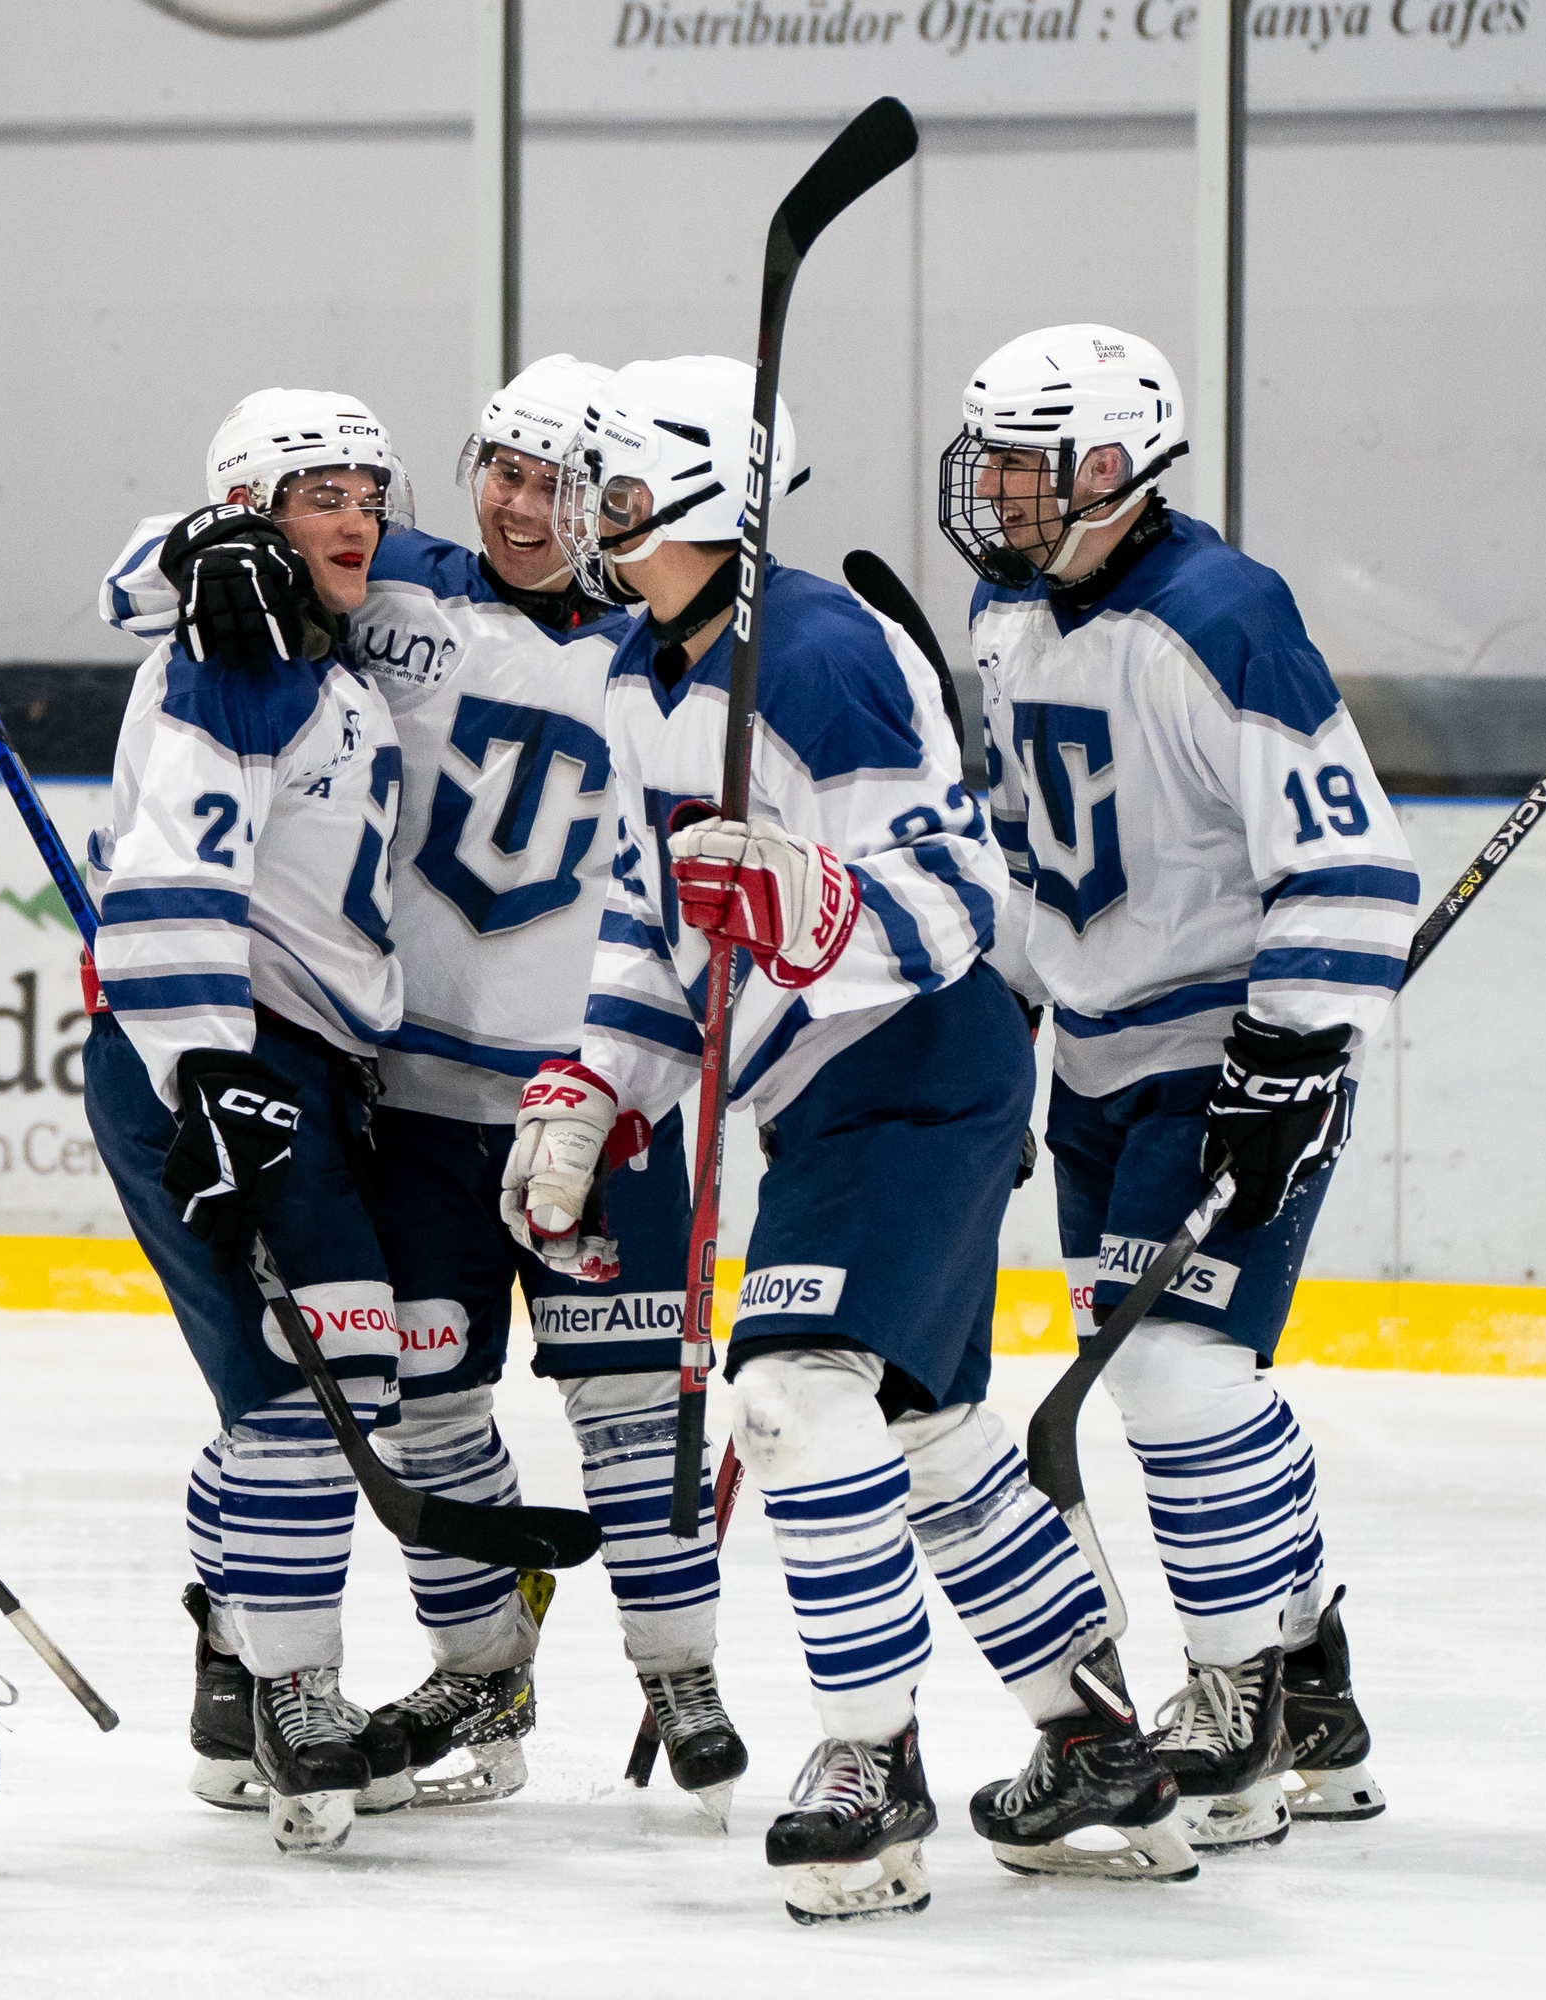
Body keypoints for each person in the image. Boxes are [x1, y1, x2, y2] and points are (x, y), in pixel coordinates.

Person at [501, 355, 1184, 1924]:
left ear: (697, 493)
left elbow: (950, 897)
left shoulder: (816, 653)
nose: (579, 512)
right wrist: (596, 1088)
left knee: (797, 1397)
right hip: (821, 1098)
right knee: (928, 1436)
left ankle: (871, 1765)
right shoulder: (634, 676)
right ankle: (1096, 1743)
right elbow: (654, 927)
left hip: (918, 1068)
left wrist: (814, 899)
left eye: (611, 485)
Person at [99, 359, 747, 1821]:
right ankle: (475, 1668)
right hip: (409, 1098)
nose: (520, 507)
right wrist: (193, 548)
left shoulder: (682, 653)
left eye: (561, 484)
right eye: (502, 470)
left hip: (600, 1096)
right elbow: (167, 581)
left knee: (631, 1406)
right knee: (420, 1398)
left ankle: (683, 1673)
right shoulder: (400, 588)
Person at [942, 322, 1408, 1849]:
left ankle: (1238, 1694)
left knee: (1175, 1377)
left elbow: (1350, 862)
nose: (995, 492)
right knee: (1175, 1380)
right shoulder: (1009, 619)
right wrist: (994, 1033)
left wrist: (1290, 1053)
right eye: (989, 460)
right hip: (1097, 1066)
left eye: (1023, 463)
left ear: (1108, 463)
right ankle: (1313, 1677)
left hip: (1223, 1057)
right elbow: (1029, 858)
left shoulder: (1221, 613)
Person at [78, 387, 415, 1856]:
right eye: (320, 493)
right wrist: (209, 1071)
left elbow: (136, 574)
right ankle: (296, 1697)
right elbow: (175, 875)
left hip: (292, 1058)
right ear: (252, 515)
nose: (358, 520)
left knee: (300, 1386)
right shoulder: (243, 653)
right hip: (224, 1052)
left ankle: (235, 1670)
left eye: (369, 493)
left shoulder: (301, 640)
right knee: (315, 1381)